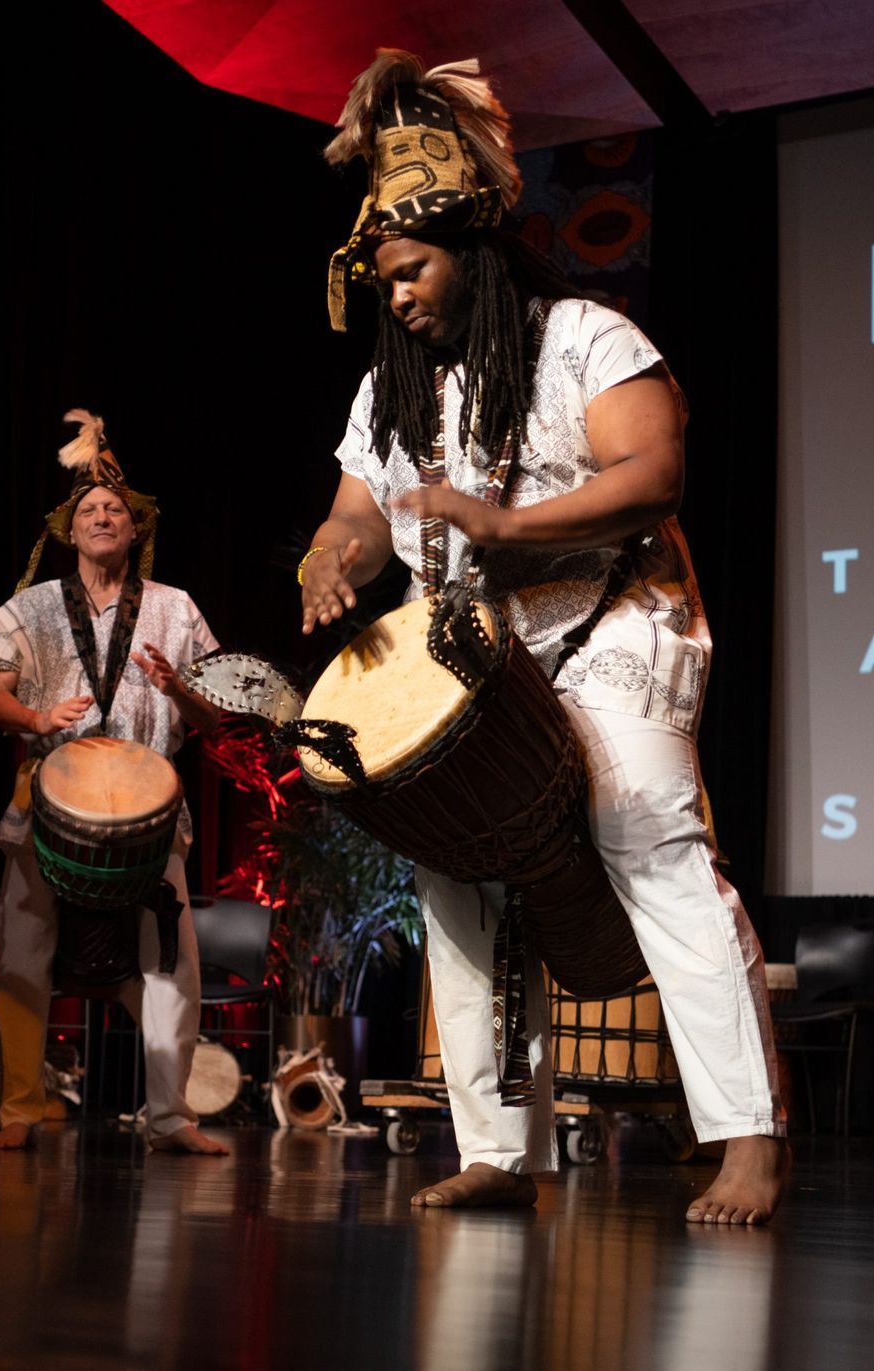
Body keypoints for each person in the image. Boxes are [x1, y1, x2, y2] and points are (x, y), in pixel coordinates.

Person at [302, 51, 787, 1223]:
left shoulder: (584, 338)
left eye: (411, 270)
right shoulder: (391, 390)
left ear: (468, 248)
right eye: (383, 280)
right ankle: (500, 1149)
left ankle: (748, 1140)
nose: (397, 295)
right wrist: (331, 559)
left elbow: (654, 475)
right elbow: (355, 519)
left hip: (621, 615)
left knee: (647, 839)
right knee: (454, 860)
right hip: (485, 659)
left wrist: (508, 526)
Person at [0, 410, 225, 1155]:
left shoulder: (176, 610)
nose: (103, 516)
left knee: (172, 966)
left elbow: (210, 720)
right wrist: (38, 714)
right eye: (89, 510)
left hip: (148, 815)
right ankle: (21, 1109)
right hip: (45, 807)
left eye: (115, 508)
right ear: (68, 529)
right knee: (23, 955)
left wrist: (179, 689)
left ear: (136, 527)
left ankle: (171, 1115)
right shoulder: (32, 607)